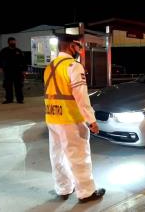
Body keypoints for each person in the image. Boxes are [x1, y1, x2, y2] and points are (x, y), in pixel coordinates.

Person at [44, 34, 105, 203]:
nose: (80, 50)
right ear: (71, 46)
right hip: (70, 120)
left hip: (52, 117)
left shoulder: (50, 66)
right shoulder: (73, 66)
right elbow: (81, 97)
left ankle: (63, 188)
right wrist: (91, 120)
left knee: (57, 155)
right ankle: (86, 192)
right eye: (79, 46)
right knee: (79, 156)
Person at [0, 37, 26, 104]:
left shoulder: (18, 51)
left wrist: (24, 70)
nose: (13, 43)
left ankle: (19, 99)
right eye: (11, 41)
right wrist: (0, 67)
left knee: (18, 86)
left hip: (18, 72)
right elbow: (0, 60)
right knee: (8, 86)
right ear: (8, 42)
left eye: (14, 41)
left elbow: (23, 61)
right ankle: (9, 99)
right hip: (8, 72)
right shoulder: (4, 51)